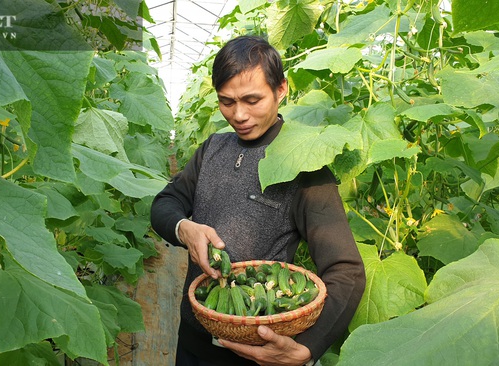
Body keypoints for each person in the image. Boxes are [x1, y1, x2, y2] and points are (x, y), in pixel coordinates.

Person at [150, 35, 365, 366]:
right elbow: (166, 203)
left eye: (252, 100)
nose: (238, 115)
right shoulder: (213, 149)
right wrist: (185, 229)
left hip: (261, 351)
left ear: (281, 90)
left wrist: (308, 346)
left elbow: (346, 270)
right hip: (194, 336)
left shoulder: (304, 166)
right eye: (227, 101)